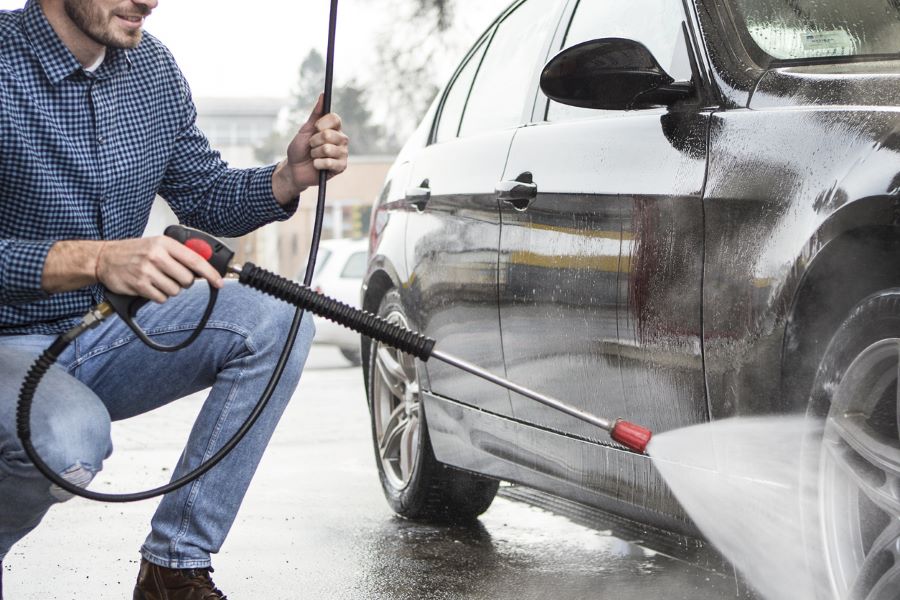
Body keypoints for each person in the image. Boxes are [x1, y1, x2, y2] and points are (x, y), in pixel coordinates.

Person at [0, 0, 350, 597]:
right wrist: (95, 259)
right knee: (68, 441)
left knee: (280, 320)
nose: (150, 0)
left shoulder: (153, 69)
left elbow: (206, 195)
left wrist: (285, 178)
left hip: (104, 331)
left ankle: (173, 567)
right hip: (8, 339)